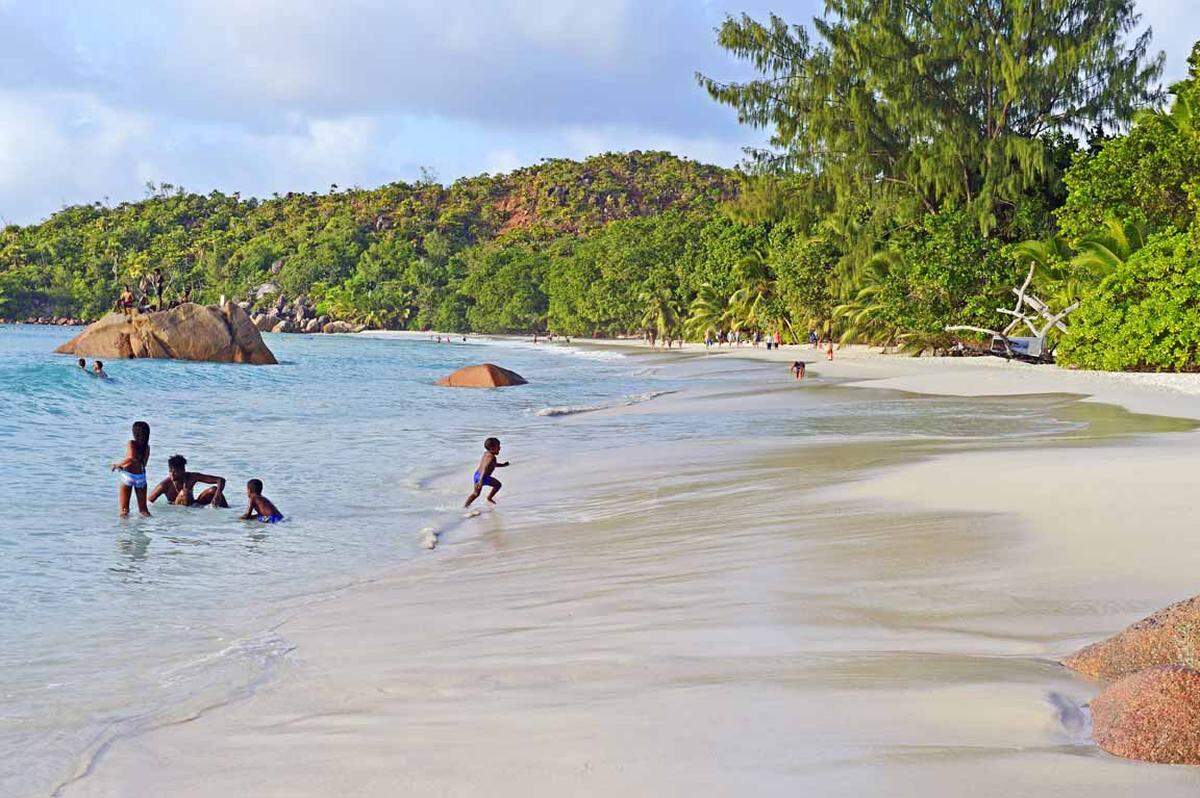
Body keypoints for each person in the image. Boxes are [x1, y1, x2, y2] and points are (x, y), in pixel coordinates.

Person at [149, 454, 229, 508]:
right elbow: (148, 502)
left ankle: (228, 512)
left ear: (183, 470)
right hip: (177, 510)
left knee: (214, 490)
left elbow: (220, 480)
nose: (172, 474)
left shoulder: (191, 477)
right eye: (170, 471)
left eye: (175, 471)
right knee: (184, 492)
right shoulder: (164, 485)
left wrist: (217, 495)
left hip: (193, 506)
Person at [111, 421, 152, 517]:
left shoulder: (131, 443)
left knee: (124, 510)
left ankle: (124, 531)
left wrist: (117, 465)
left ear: (135, 433)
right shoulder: (147, 447)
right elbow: (144, 463)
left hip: (128, 476)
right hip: (141, 477)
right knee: (143, 510)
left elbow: (130, 458)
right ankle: (147, 527)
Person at [464, 437, 509, 507]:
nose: (500, 448)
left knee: (475, 494)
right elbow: (485, 467)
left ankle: (465, 506)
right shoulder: (492, 458)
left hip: (477, 475)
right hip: (483, 477)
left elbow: (492, 465)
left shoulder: (486, 454)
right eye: (498, 447)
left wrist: (503, 465)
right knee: (498, 485)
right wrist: (481, 480)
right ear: (492, 449)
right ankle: (489, 497)